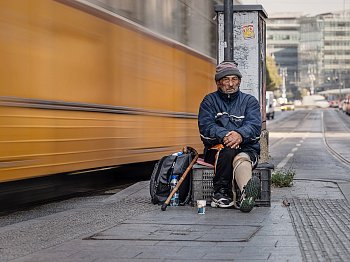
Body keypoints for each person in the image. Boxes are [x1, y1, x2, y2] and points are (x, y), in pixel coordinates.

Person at [198, 61, 262, 212]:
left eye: (235, 79)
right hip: (217, 151)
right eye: (226, 80)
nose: (231, 84)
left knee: (242, 158)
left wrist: (240, 135)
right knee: (228, 151)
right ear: (218, 82)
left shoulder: (250, 101)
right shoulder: (209, 101)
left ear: (239, 81)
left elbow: (254, 126)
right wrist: (226, 135)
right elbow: (206, 128)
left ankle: (246, 196)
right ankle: (221, 192)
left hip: (247, 148)